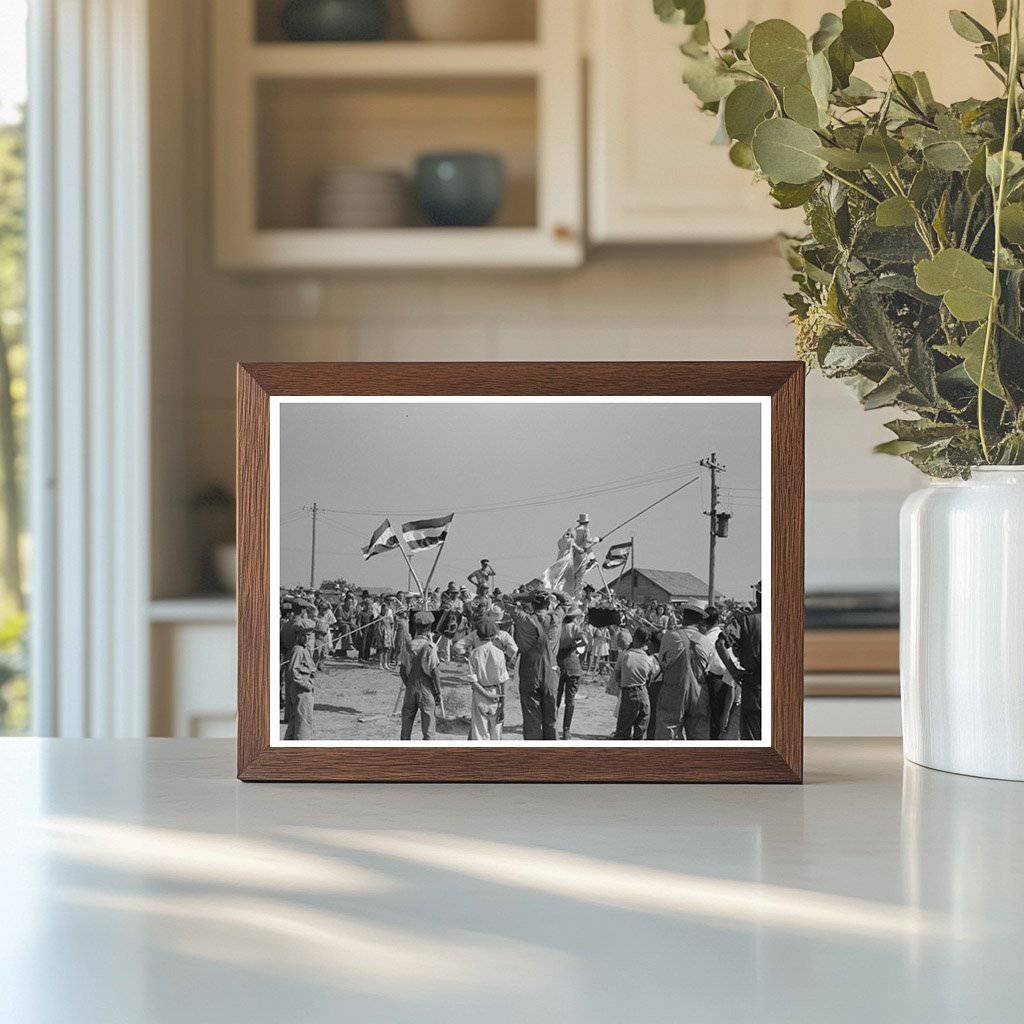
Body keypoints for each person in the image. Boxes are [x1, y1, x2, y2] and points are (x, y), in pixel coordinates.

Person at [508, 590, 566, 740]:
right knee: (551, 717)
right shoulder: (556, 618)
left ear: (532, 604)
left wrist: (527, 595)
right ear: (548, 605)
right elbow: (566, 600)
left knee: (531, 718)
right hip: (552, 670)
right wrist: (552, 591)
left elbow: (507, 599)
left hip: (529, 671)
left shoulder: (524, 619)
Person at [653, 599, 712, 740]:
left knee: (667, 733)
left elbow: (662, 662)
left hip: (673, 690)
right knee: (698, 735)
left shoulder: (671, 636)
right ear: (700, 620)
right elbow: (709, 667)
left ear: (684, 616)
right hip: (698, 693)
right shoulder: (706, 641)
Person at [717, 582, 762, 741]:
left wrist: (734, 672)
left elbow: (720, 644)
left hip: (754, 690)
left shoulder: (745, 621)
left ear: (757, 596)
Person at [400, 611, 443, 740]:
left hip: (410, 687)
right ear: (429, 628)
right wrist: (439, 692)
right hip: (426, 688)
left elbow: (402, 670)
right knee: (428, 727)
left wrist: (409, 684)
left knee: (406, 724)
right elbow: (434, 671)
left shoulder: (407, 646)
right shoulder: (430, 647)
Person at [465, 618, 509, 741]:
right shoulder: (499, 653)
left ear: (478, 635)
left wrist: (486, 695)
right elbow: (503, 680)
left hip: (480, 695)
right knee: (496, 734)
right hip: (496, 694)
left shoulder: (473, 654)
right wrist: (502, 705)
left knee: (479, 734)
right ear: (495, 635)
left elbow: (473, 681)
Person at [703, 605, 740, 740]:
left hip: (716, 680)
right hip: (727, 680)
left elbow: (714, 664)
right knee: (721, 721)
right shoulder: (723, 634)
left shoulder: (706, 639)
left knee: (714, 720)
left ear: (704, 621)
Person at [612, 628, 655, 739]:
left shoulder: (624, 655)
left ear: (634, 638)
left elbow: (617, 677)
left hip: (628, 693)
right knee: (640, 732)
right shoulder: (648, 659)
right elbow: (649, 680)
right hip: (643, 694)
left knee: (622, 732)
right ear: (647, 643)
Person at [556, 603, 585, 740]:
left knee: (556, 697)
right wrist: (575, 645)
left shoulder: (558, 627)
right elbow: (585, 642)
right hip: (572, 663)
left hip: (558, 662)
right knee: (570, 699)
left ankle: (552, 726)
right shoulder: (575, 627)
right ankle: (566, 730)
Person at [284, 622, 317, 740]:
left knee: (295, 721)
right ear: (298, 635)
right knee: (304, 723)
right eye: (304, 635)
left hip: (302, 688)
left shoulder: (304, 649)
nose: (307, 638)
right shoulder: (298, 650)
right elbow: (292, 671)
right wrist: (306, 685)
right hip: (301, 690)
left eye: (309, 635)